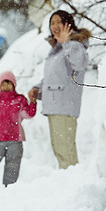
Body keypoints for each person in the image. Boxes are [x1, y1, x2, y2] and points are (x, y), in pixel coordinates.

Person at [29, 10, 91, 169]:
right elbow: (53, 77)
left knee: (65, 150)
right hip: (55, 106)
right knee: (60, 149)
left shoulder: (74, 45)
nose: (55, 26)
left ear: (68, 24)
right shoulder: (57, 49)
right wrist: (37, 89)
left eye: (58, 22)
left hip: (65, 105)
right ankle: (67, 182)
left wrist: (67, 43)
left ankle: (73, 183)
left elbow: (80, 64)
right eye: (52, 23)